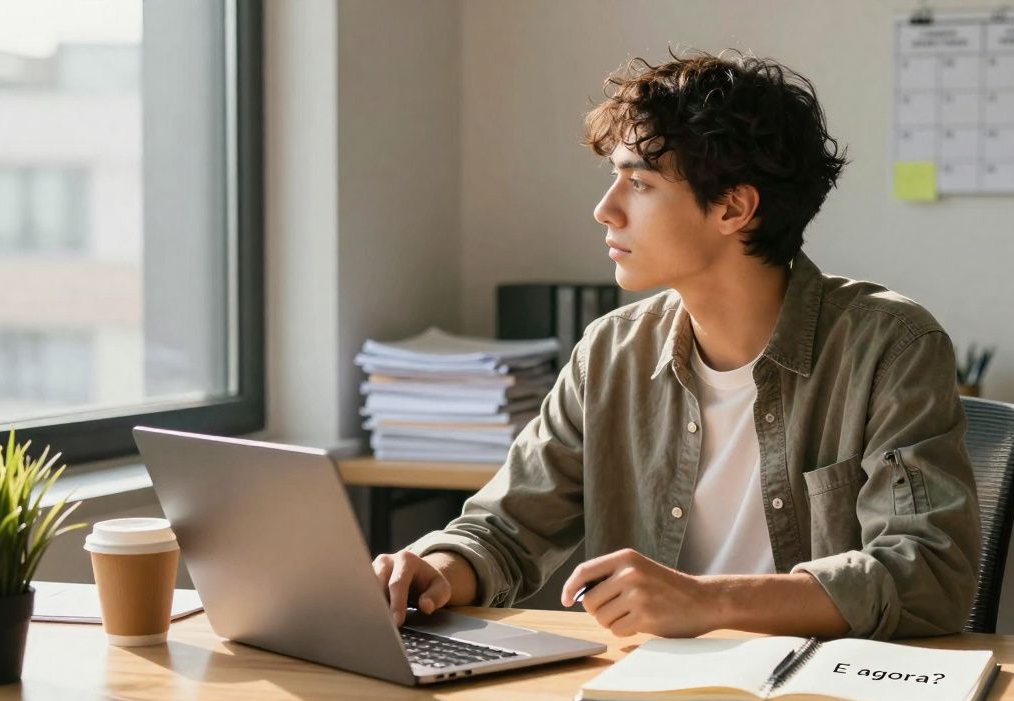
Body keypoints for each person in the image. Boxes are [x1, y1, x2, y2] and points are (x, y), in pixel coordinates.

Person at [373, 49, 980, 641]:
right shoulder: (611, 352)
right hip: (644, 693)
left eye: (638, 183)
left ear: (734, 208)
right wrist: (433, 571)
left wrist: (706, 601)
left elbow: (928, 574)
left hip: (813, 699)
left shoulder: (890, 346)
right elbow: (505, 530)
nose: (604, 210)